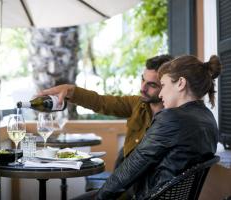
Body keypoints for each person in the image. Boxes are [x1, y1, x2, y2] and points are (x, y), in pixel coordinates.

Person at [70, 54, 222, 200]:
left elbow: (132, 167)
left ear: (181, 83)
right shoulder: (208, 118)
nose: (161, 93)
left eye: (163, 85)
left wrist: (99, 197)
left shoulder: (171, 118)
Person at [39, 55, 174, 163]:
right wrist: (71, 91)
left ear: (167, 85)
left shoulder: (177, 119)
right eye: (142, 80)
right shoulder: (137, 104)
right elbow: (101, 102)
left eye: (151, 85)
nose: (142, 88)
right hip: (124, 180)